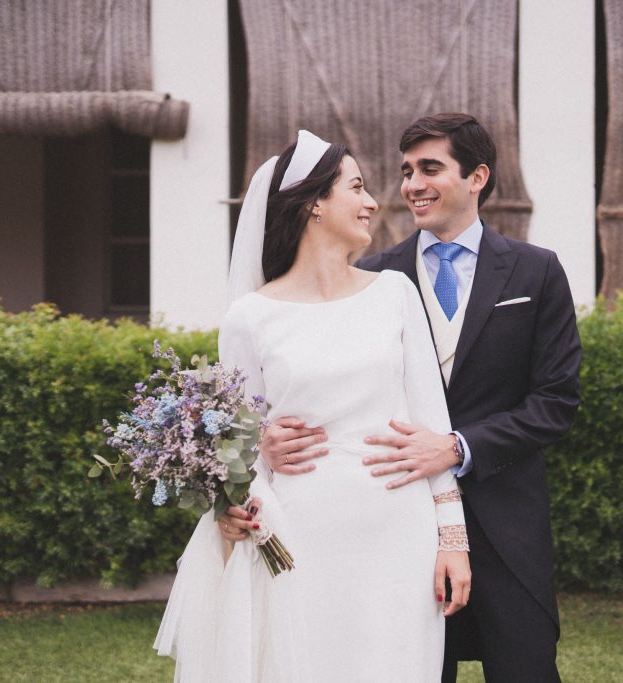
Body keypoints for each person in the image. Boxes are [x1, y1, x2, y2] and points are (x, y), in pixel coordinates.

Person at [230, 114, 582, 681]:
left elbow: (556, 402)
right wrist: (262, 437)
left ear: (477, 177)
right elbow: (306, 384)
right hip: (395, 530)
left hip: (507, 523)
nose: (411, 184)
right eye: (405, 171)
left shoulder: (535, 272)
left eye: (430, 169)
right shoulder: (371, 277)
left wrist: (457, 446)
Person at [154, 130, 471, 682]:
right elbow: (236, 443)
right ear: (314, 203)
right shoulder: (249, 318)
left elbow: (433, 428)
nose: (373, 201)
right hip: (299, 534)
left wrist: (453, 541)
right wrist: (246, 477)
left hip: (398, 533)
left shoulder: (395, 294)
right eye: (357, 186)